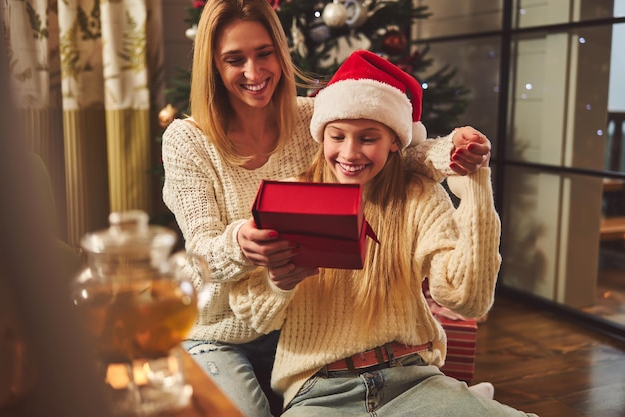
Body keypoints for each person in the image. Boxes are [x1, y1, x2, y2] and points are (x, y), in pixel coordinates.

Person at [161, 1, 491, 416]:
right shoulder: (187, 140)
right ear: (212, 65)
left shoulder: (312, 116)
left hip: (300, 329)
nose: (253, 72)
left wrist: (454, 154)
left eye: (264, 53)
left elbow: (387, 151)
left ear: (280, 53)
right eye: (234, 59)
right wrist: (241, 246)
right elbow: (199, 259)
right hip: (222, 330)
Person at [229, 49, 538, 416]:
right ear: (321, 136)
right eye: (337, 136)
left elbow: (466, 299)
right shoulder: (292, 195)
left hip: (412, 378)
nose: (350, 152)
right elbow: (254, 315)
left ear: (394, 140)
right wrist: (280, 282)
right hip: (319, 389)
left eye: (368, 138)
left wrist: (475, 189)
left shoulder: (417, 195)